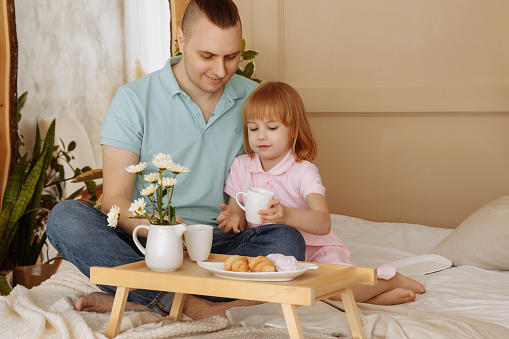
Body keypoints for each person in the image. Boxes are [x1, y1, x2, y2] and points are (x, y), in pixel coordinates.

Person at [46, 0, 306, 320]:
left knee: (287, 241)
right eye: (207, 56)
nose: (220, 70)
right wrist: (159, 229)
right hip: (145, 247)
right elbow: (114, 200)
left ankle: (144, 298)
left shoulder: (255, 101)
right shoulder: (133, 101)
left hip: (218, 250)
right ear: (181, 39)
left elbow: (272, 177)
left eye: (231, 57)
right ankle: (191, 304)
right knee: (65, 217)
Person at [216, 81, 426, 305]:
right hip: (271, 252)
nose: (261, 136)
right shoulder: (241, 165)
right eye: (253, 128)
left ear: (293, 130)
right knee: (281, 284)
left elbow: (323, 222)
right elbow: (237, 214)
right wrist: (232, 218)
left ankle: (389, 281)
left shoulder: (302, 170)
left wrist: (288, 215)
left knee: (329, 287)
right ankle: (372, 298)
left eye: (272, 128)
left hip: (317, 249)